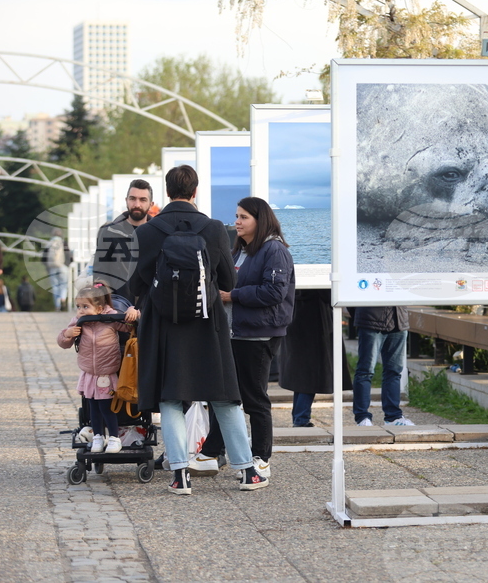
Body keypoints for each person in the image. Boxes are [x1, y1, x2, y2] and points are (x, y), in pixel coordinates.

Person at [128, 165, 268, 495]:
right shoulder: (214, 228)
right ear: (195, 192)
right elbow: (229, 281)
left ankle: (179, 475)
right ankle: (248, 472)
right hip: (208, 325)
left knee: (171, 398)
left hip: (163, 325)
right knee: (224, 397)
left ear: (166, 192)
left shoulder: (147, 232)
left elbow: (137, 283)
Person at [191, 197, 295, 478]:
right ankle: (212, 452)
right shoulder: (240, 251)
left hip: (258, 336)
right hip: (234, 334)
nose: (237, 221)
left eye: (243, 217)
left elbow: (274, 292)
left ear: (260, 220)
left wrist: (233, 295)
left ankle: (261, 457)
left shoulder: (274, 251)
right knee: (222, 395)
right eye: (236, 216)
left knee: (254, 399)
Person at [56, 283, 138, 455]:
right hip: (88, 373)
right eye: (78, 306)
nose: (81, 310)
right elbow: (64, 342)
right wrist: (67, 334)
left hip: (106, 373)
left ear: (100, 307)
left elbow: (129, 327)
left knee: (106, 407)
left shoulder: (110, 318)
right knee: (92, 406)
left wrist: (133, 312)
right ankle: (98, 436)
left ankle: (114, 437)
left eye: (85, 306)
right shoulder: (80, 322)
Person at [278, 290, 353, 428]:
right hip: (317, 324)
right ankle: (301, 418)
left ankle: (299, 416)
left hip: (295, 323)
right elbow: (331, 297)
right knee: (311, 376)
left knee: (302, 376)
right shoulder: (319, 283)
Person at [351, 307, 415, 427]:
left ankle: (393, 417)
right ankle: (362, 417)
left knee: (394, 372)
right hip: (371, 320)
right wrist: (363, 315)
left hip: (398, 321)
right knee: (366, 371)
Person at [93, 179, 154, 303]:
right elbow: (100, 272)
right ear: (126, 200)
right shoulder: (109, 231)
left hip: (149, 307)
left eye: (143, 200)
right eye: (132, 199)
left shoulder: (157, 233)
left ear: (151, 204)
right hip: (118, 306)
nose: (137, 204)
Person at [45, 229, 69, 312]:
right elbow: (68, 255)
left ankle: (57, 305)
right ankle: (63, 298)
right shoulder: (63, 243)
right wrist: (67, 265)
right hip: (62, 266)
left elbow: (44, 258)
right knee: (64, 285)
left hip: (52, 268)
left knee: (55, 287)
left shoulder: (49, 243)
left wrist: (47, 267)